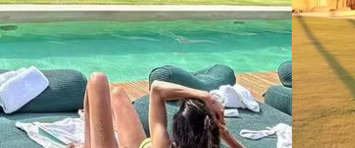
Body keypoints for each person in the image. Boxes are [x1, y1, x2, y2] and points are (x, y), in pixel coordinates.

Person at [74, 73, 245, 148]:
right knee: (117, 94)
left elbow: (157, 89)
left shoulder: (163, 144)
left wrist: (206, 96)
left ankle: (88, 145)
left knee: (98, 80)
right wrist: (228, 138)